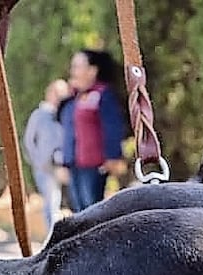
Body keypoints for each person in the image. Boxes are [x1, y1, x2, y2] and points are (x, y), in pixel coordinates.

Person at [59, 49, 128, 212]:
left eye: (77, 67)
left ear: (92, 70)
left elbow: (113, 126)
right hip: (75, 162)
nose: (73, 71)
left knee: (91, 208)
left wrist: (113, 156)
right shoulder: (74, 98)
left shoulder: (102, 95)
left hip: (94, 164)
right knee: (77, 208)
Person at [23, 79, 69, 238]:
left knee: (63, 203)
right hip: (44, 167)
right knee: (51, 202)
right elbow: (29, 141)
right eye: (56, 93)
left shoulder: (65, 113)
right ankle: (52, 238)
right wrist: (38, 161)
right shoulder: (40, 114)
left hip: (63, 166)